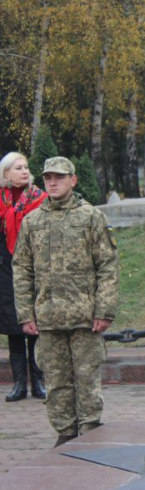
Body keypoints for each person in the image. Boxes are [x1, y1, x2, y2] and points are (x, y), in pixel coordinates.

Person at [13, 156, 119, 447]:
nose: (53, 183)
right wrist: (26, 314)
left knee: (86, 378)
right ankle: (64, 434)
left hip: (85, 316)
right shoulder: (32, 221)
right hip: (47, 317)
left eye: (59, 177)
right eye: (48, 178)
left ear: (73, 180)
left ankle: (90, 431)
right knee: (57, 381)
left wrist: (104, 309)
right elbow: (22, 268)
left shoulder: (90, 217)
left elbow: (108, 266)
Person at [0, 152, 48, 402]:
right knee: (14, 327)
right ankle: (19, 384)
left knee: (36, 326)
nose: (24, 171)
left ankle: (38, 381)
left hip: (34, 269)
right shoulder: (0, 201)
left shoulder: (40, 199)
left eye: (26, 167)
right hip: (6, 270)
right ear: (6, 174)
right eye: (18, 168)